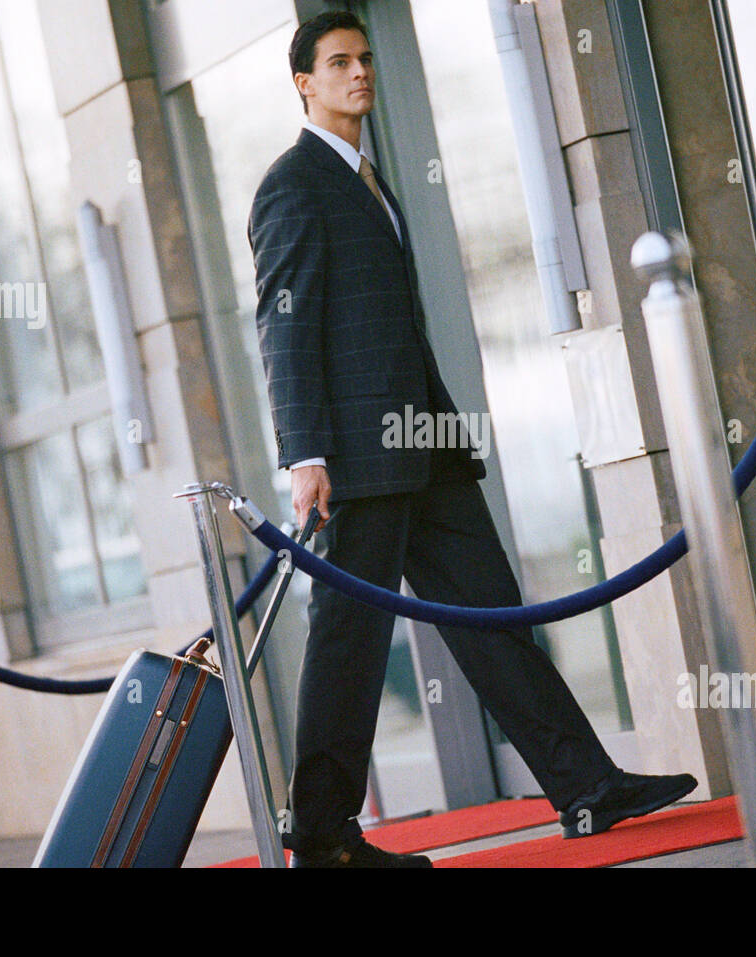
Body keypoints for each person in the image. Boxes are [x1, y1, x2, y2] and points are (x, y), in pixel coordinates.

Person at [247, 10, 697, 868]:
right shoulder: (294, 183)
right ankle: (325, 839)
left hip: (427, 449)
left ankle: (587, 787)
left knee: (495, 621)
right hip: (360, 465)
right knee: (348, 644)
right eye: (339, 63)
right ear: (303, 82)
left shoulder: (370, 179)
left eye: (366, 60)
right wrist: (304, 455)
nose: (359, 74)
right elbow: (285, 328)